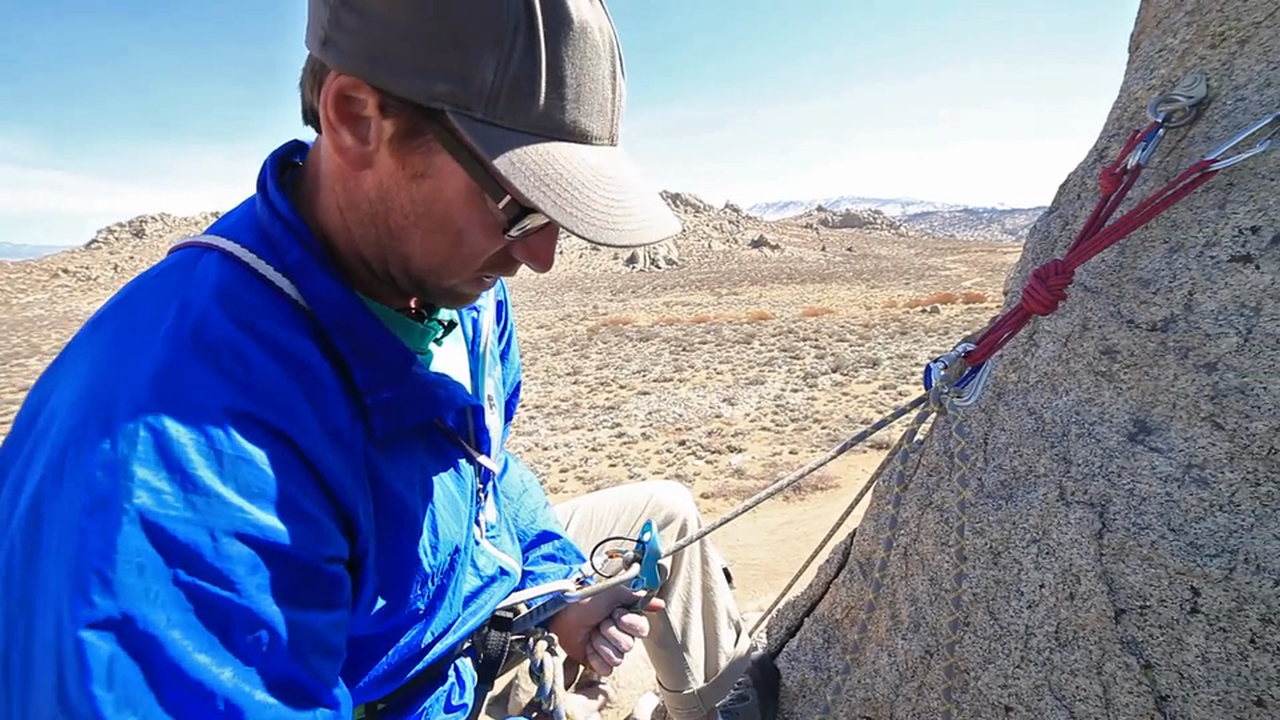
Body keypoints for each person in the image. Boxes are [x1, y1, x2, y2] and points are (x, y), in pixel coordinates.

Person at [0, 1, 779, 719]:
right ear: (356, 119)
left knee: (666, 511)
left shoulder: (443, 281)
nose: (539, 256)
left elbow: (483, 473)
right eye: (518, 203)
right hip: (402, 692)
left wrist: (553, 595)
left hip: (457, 628)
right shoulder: (180, 470)